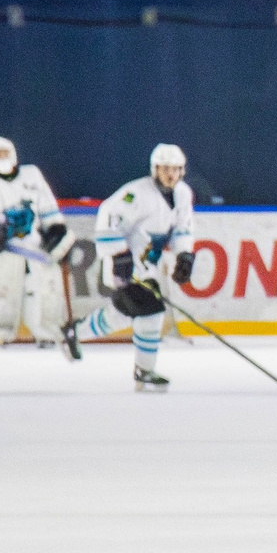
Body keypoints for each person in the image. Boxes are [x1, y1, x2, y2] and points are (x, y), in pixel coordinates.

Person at [77, 143, 195, 391]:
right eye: (165, 169)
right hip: (124, 264)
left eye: (175, 169)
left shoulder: (183, 194)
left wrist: (184, 254)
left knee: (122, 315)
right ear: (155, 169)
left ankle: (74, 333)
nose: (171, 174)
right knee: (151, 312)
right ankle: (144, 370)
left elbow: (182, 227)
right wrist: (118, 255)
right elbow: (108, 213)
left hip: (147, 264)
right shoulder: (136, 193)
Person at [0, 135, 75, 349]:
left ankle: (48, 333)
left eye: (5, 152)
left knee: (45, 290)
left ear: (13, 154)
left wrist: (55, 228)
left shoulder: (32, 175)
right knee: (2, 291)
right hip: (4, 248)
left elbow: (48, 207)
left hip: (34, 245)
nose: (2, 157)